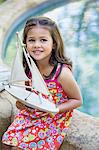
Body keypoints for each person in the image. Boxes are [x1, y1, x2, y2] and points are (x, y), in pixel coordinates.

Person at [2, 16, 83, 150]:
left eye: (43, 40)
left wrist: (54, 109)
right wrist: (22, 104)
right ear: (25, 44)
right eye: (31, 40)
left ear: (54, 44)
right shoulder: (29, 67)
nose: (37, 45)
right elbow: (29, 95)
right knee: (7, 141)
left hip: (54, 115)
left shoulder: (61, 73)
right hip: (35, 112)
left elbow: (77, 100)